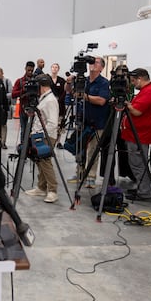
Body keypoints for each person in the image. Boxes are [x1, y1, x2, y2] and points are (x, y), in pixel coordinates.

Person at [66, 56, 110, 187]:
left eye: (96, 63)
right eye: (91, 62)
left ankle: (91, 177)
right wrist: (69, 82)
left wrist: (85, 97)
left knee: (92, 150)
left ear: (102, 67)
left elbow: (102, 101)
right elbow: (68, 91)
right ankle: (80, 173)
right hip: (81, 120)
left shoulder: (104, 83)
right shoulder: (83, 81)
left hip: (97, 122)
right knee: (80, 148)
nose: (92, 64)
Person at [120, 69, 151, 201]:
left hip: (140, 135)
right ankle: (142, 188)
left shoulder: (150, 91)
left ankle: (144, 191)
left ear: (140, 78)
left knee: (138, 164)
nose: (133, 84)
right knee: (138, 163)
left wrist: (127, 104)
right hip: (137, 133)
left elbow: (137, 111)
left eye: (133, 81)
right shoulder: (148, 90)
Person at [24, 74, 60, 203]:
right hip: (40, 134)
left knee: (45, 162)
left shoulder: (50, 100)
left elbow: (53, 123)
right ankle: (41, 187)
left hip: (46, 136)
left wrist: (41, 135)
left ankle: (52, 190)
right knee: (41, 162)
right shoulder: (44, 98)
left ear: (41, 86)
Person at [12, 61, 35, 141]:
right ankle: (23, 149)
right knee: (24, 130)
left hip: (34, 109)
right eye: (28, 70)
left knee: (33, 131)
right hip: (23, 110)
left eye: (32, 70)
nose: (30, 72)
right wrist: (23, 90)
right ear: (25, 68)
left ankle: (32, 149)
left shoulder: (36, 81)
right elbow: (13, 94)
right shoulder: (20, 81)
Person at [49, 63, 67, 147]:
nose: (54, 69)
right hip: (50, 106)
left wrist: (58, 99)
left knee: (60, 125)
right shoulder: (47, 79)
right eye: (53, 67)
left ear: (58, 69)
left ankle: (58, 141)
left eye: (56, 67)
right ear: (51, 68)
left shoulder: (62, 80)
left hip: (60, 106)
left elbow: (64, 92)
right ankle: (50, 140)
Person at [0, 67, 12, 149]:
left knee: (3, 125)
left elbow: (11, 93)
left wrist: (2, 96)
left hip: (4, 107)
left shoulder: (7, 81)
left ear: (2, 73)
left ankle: (3, 142)